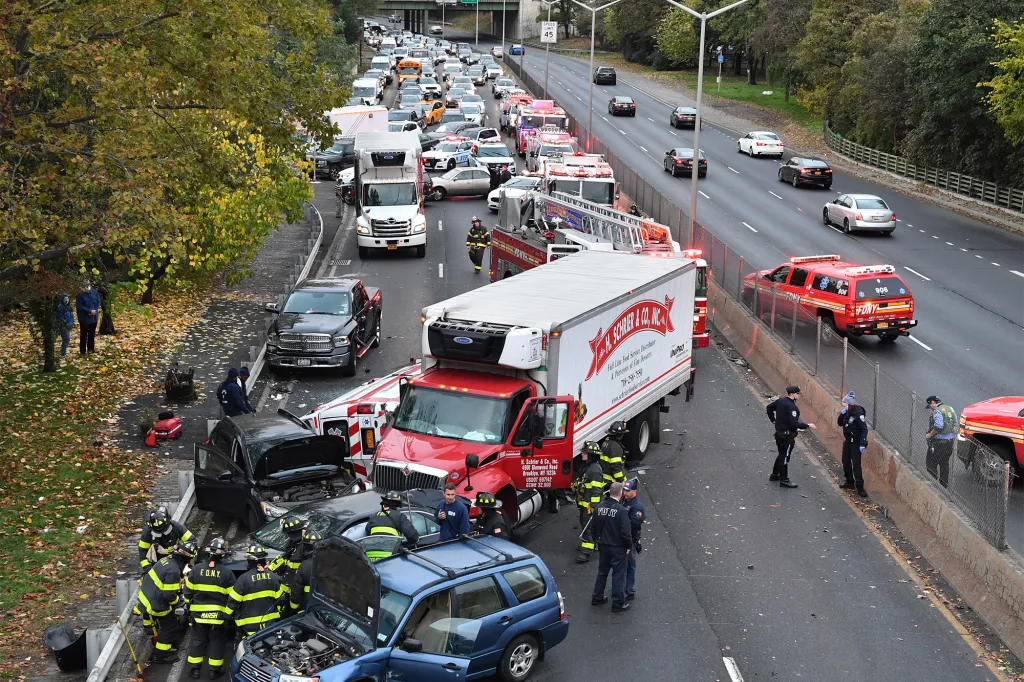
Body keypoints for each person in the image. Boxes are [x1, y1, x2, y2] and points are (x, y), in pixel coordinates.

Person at [138, 539, 198, 664]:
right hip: (156, 602)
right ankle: (161, 655)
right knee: (170, 627)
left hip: (148, 596)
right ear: (187, 558)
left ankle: (163, 645)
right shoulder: (174, 571)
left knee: (168, 624)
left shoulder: (167, 560)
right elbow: (169, 596)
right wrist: (179, 602)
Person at [184, 538, 235, 679]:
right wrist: (229, 615)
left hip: (198, 616)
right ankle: (214, 671)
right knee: (217, 642)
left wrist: (189, 609)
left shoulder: (196, 569)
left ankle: (195, 670)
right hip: (218, 618)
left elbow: (187, 594)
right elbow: (233, 597)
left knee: (197, 641)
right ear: (223, 555)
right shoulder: (227, 573)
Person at [226, 545, 287, 642]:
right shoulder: (273, 578)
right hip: (269, 626)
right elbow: (281, 601)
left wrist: (226, 618)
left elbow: (232, 602)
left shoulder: (243, 579)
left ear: (249, 561)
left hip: (248, 627)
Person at [590, 481, 633, 612]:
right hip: (617, 547)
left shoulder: (599, 507)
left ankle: (597, 597)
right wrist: (628, 546)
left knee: (602, 572)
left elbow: (593, 528)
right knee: (618, 574)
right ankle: (618, 602)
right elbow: (626, 532)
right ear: (620, 493)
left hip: (603, 546)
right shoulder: (621, 510)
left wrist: (596, 541)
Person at [766, 386, 816, 488]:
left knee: (781, 454)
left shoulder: (780, 401)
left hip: (779, 434)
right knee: (785, 457)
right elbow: (794, 423)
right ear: (792, 394)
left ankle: (775, 474)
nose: (799, 395)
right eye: (798, 393)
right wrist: (807, 425)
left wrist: (773, 420)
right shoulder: (792, 407)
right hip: (787, 436)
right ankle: (784, 479)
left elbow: (769, 408)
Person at [574, 441, 606, 563]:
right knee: (585, 524)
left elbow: (596, 490)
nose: (582, 454)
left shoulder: (595, 470)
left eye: (585, 452)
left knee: (587, 527)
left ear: (591, 455)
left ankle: (586, 552)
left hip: (589, 506)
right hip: (585, 503)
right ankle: (593, 544)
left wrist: (593, 507)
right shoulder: (588, 466)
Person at [837, 391, 869, 498]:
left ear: (849, 404)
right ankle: (849, 481)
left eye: (844, 403)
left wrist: (862, 443)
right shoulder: (847, 412)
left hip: (856, 442)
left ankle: (860, 487)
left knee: (856, 465)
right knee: (845, 461)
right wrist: (842, 413)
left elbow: (864, 429)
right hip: (848, 441)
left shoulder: (858, 414)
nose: (843, 404)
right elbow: (839, 423)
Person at [288, 528, 323, 613]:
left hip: (306, 610)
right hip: (326, 610)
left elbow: (296, 591)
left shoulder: (304, 566)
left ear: (305, 547)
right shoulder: (331, 563)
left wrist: (292, 608)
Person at [925, 395, 957, 488]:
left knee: (931, 463)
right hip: (949, 442)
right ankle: (943, 486)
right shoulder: (950, 408)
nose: (931, 408)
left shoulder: (937, 411)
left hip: (938, 443)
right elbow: (955, 423)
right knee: (944, 464)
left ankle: (932, 486)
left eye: (930, 406)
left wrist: (929, 435)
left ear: (932, 402)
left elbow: (938, 426)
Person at [622, 478, 645, 601]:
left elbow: (633, 524)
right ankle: (624, 588)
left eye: (627, 491)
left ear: (634, 491)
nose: (625, 493)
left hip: (630, 539)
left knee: (629, 565)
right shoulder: (626, 501)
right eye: (624, 490)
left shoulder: (637, 507)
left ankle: (628, 590)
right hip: (623, 538)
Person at [268, 515, 307, 582]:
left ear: (288, 533)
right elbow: (285, 556)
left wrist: (269, 570)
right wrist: (270, 567)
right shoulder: (294, 543)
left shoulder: (300, 548)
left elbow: (290, 564)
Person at [75, 281, 102, 355]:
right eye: (85, 285)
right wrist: (89, 311)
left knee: (92, 334)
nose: (87, 287)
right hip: (84, 318)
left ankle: (91, 348)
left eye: (88, 285)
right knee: (84, 335)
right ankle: (83, 351)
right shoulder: (80, 294)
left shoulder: (94, 292)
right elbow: (80, 306)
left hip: (94, 318)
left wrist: (95, 310)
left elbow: (98, 301)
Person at [55, 293, 75, 359]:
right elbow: (59, 318)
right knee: (66, 339)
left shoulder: (70, 307)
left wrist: (71, 323)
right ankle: (63, 353)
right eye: (65, 299)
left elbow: (72, 317)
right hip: (63, 326)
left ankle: (63, 353)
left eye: (67, 299)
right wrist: (64, 325)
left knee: (66, 340)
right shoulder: (60, 307)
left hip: (69, 326)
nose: (66, 300)